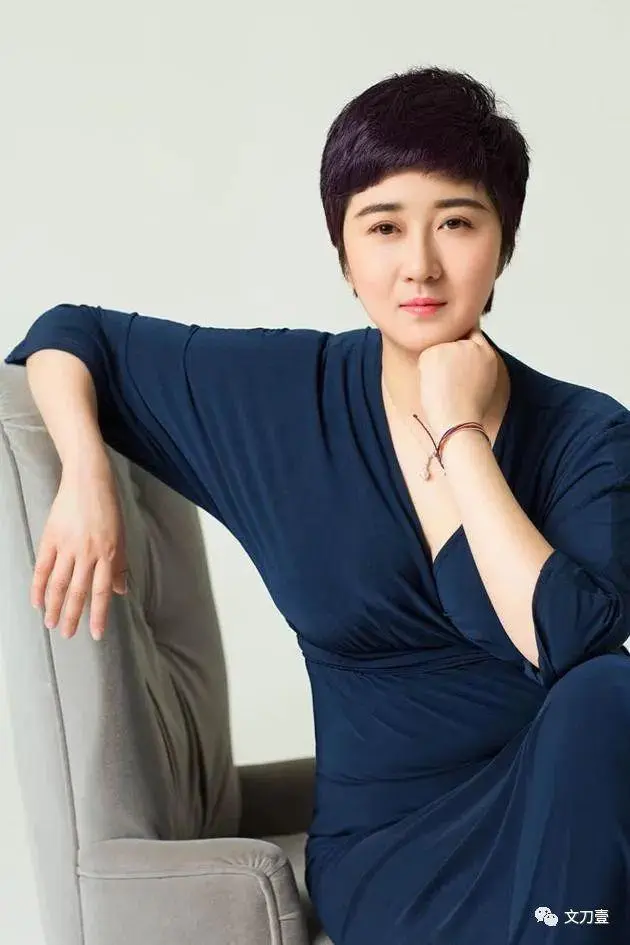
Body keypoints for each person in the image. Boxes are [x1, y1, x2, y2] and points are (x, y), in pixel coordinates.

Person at [5, 66, 630, 944]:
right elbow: (69, 333)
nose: (420, 264)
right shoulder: (285, 397)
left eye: (457, 221)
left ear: (504, 244)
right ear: (344, 253)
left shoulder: (588, 433)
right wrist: (83, 472)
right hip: (389, 853)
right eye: (384, 226)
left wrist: (459, 431)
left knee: (607, 692)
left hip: (560, 818)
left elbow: (570, 643)